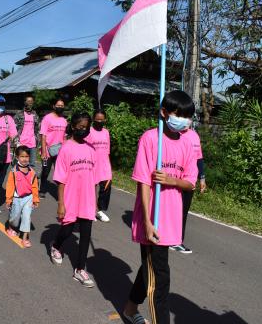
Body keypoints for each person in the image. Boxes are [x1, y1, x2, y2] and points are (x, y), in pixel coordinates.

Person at [122, 90, 197, 324]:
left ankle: (130, 308)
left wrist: (171, 180)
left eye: (187, 115)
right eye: (178, 114)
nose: (183, 119)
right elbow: (143, 182)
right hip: (151, 218)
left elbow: (190, 182)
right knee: (161, 279)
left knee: (151, 270)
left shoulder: (188, 141)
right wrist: (146, 221)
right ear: (164, 113)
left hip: (171, 219)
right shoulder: (150, 138)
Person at [49, 112, 98, 288]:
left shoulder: (91, 149)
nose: (84, 130)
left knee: (85, 236)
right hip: (70, 198)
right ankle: (56, 245)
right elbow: (60, 180)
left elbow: (94, 179)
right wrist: (61, 204)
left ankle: (79, 269)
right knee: (67, 230)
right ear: (73, 127)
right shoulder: (66, 148)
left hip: (87, 199)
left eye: (87, 127)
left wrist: (95, 202)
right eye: (81, 127)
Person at [170, 125, 206, 254]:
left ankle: (177, 240)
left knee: (183, 211)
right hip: (174, 178)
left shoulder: (194, 135)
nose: (186, 120)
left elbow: (199, 158)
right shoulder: (173, 134)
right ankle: (167, 236)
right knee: (171, 209)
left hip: (189, 181)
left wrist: (202, 178)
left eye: (189, 116)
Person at [5, 146, 39, 248]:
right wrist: (8, 199)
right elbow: (10, 186)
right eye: (22, 156)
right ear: (17, 157)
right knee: (15, 218)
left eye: (27, 156)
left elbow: (35, 186)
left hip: (28, 198)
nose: (24, 159)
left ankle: (25, 238)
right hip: (17, 198)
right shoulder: (14, 171)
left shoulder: (32, 172)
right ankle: (11, 227)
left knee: (26, 217)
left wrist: (35, 199)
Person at [86, 110, 112, 222]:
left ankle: (100, 210)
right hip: (92, 164)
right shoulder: (89, 132)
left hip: (105, 164)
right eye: (97, 119)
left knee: (106, 187)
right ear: (93, 119)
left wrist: (110, 166)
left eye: (102, 120)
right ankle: (91, 210)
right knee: (92, 188)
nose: (100, 121)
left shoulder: (106, 132)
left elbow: (108, 151)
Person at [39, 98, 67, 198]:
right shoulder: (47, 118)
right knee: (46, 171)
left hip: (60, 150)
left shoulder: (64, 120)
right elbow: (43, 135)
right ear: (54, 106)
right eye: (58, 105)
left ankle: (61, 193)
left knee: (60, 172)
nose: (60, 107)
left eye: (62, 106)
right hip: (48, 150)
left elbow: (64, 136)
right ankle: (42, 189)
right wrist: (43, 151)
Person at [13, 94, 40, 168]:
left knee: (32, 164)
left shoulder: (35, 114)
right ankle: (17, 177)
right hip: (21, 142)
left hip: (32, 142)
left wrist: (37, 139)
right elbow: (13, 128)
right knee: (19, 163)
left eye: (31, 101)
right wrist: (15, 141)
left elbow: (37, 128)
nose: (30, 103)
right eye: (28, 101)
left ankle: (30, 179)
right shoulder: (19, 114)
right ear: (25, 102)